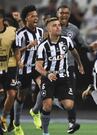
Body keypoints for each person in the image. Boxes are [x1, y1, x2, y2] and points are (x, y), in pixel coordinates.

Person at [35, 17, 84, 135]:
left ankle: (55, 99)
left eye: (59, 25)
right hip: (48, 79)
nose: (58, 27)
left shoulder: (66, 40)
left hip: (64, 78)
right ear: (48, 29)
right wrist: (47, 74)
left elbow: (74, 52)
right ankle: (45, 132)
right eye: (54, 25)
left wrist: (80, 64)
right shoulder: (43, 46)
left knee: (69, 105)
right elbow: (38, 66)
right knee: (47, 107)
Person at [56, 5, 97, 134]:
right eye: (62, 13)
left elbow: (82, 45)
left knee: (71, 96)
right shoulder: (52, 26)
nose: (64, 15)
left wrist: (91, 48)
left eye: (66, 13)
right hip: (51, 67)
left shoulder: (74, 29)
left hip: (68, 66)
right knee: (43, 98)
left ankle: (72, 122)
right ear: (57, 14)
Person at [15, 5, 44, 135]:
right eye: (33, 16)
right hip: (24, 68)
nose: (36, 18)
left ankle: (35, 111)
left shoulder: (40, 32)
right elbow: (15, 52)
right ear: (26, 18)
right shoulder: (20, 34)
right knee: (21, 96)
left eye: (36, 16)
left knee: (45, 88)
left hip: (37, 67)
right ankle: (16, 124)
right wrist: (27, 47)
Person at [0, 9, 18, 133]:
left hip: (10, 66)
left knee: (12, 94)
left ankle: (4, 118)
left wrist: (20, 62)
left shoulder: (12, 31)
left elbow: (17, 49)